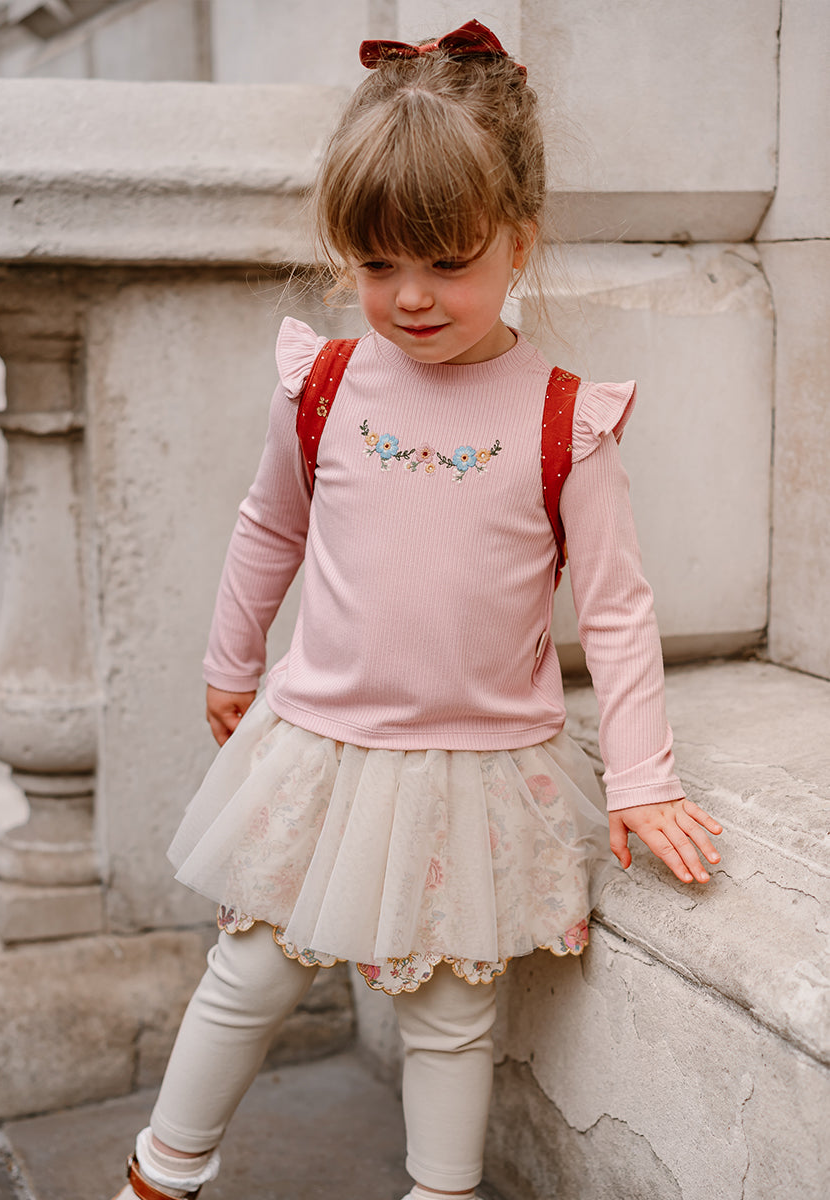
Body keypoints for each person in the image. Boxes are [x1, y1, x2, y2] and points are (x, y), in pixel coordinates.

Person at [113, 20, 722, 1200]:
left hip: (478, 765)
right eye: (378, 262)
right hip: (322, 747)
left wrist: (643, 776)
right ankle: (162, 1172)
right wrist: (231, 659)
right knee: (249, 973)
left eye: (446, 262)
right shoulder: (325, 385)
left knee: (450, 1012)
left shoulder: (564, 421)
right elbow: (270, 526)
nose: (409, 296)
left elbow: (617, 610)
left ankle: (441, 1192)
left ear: (519, 241)